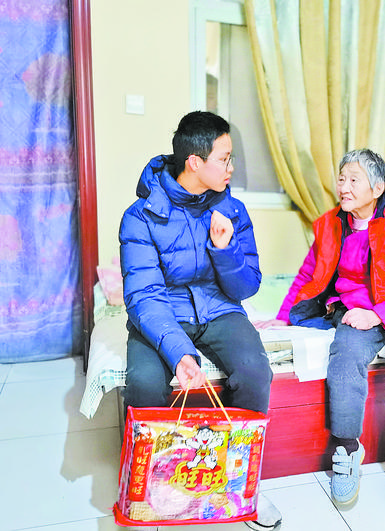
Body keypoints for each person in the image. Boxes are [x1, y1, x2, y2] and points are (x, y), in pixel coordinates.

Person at [255, 148, 385, 527]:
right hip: (358, 309)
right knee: (344, 357)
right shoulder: (330, 224)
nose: (344, 187)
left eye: (354, 180)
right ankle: (348, 450)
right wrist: (284, 316)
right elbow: (309, 274)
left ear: (377, 188)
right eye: (342, 178)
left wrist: (378, 314)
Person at [119, 111, 281, 531]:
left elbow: (247, 286)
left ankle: (242, 484)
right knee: (144, 382)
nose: (231, 168)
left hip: (219, 309)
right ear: (194, 161)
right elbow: (144, 296)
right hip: (163, 311)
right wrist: (180, 353)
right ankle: (147, 485)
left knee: (255, 371)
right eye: (224, 159)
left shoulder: (232, 209)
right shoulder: (140, 217)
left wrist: (225, 251)